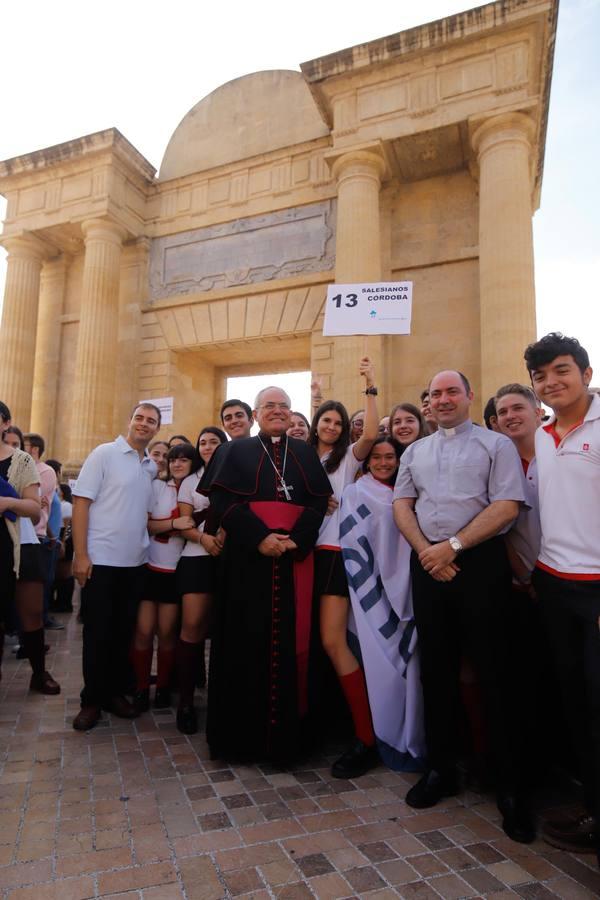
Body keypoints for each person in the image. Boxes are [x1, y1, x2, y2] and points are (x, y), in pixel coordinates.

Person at [393, 370, 534, 844]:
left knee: (496, 672)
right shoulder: (415, 450)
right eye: (435, 393)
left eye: (452, 391)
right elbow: (403, 506)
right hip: (429, 564)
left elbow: (507, 506)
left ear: (471, 397)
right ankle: (441, 769)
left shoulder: (495, 446)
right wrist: (428, 553)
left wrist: (451, 547)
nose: (443, 399)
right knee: (437, 670)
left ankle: (510, 787)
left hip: (479, 563)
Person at [200, 387, 331, 763]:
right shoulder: (232, 451)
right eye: (269, 406)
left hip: (293, 560)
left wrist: (296, 540)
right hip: (245, 560)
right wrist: (259, 538)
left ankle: (289, 743)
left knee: (294, 644)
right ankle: (239, 741)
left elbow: (318, 500)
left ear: (292, 415)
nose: (277, 411)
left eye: (284, 407)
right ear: (256, 414)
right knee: (242, 642)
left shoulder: (304, 453)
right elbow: (222, 500)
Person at [524, 333, 600, 862]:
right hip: (553, 584)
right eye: (541, 377)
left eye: (561, 370)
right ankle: (592, 808)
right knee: (575, 706)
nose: (551, 383)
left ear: (586, 373)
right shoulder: (544, 435)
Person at [309, 358, 379, 778]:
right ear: (316, 422)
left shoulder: (348, 459)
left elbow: (371, 433)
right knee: (315, 644)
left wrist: (370, 386)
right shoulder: (299, 457)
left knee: (334, 641)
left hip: (334, 553)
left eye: (338, 422)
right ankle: (329, 725)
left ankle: (366, 737)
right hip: (303, 555)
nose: (333, 427)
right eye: (327, 420)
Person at [71, 403, 161, 731]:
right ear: (130, 421)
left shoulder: (150, 467)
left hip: (135, 564)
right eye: (139, 417)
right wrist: (81, 555)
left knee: (123, 633)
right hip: (101, 561)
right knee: (97, 633)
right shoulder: (104, 454)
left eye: (151, 421)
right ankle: (91, 700)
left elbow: (146, 516)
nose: (144, 424)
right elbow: (82, 502)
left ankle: (113, 694)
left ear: (156, 429)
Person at [340, 437, 425, 771]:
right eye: (377, 457)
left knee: (409, 669)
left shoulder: (409, 493)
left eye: (390, 457)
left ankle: (407, 733)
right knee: (370, 661)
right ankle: (372, 734)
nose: (384, 462)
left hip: (406, 589)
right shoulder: (356, 492)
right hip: (368, 589)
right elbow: (354, 538)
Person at [131, 443, 197, 715]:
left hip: (175, 572)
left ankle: (164, 688)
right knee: (144, 631)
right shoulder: (157, 488)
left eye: (184, 460)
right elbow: (145, 523)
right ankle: (141, 687)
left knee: (168, 632)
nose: (177, 464)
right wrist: (173, 525)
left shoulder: (197, 490)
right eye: (173, 460)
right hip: (150, 568)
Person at [0, 406, 60, 694]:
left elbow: (35, 511)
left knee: (32, 612)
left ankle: (39, 673)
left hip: (22, 543)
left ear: (6, 423)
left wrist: (8, 504)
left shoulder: (22, 461)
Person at [173, 426, 227, 733]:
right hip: (196, 558)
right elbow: (183, 521)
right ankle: (186, 702)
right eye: (202, 442)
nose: (207, 446)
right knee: (191, 627)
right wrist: (204, 540)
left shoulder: (237, 473)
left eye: (213, 441)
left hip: (230, 558)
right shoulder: (191, 481)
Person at [23, 433, 63, 631]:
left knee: (38, 585)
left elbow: (34, 499)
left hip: (37, 535)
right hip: (21, 533)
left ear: (34, 449)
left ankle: (37, 625)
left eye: (23, 445)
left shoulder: (45, 471)